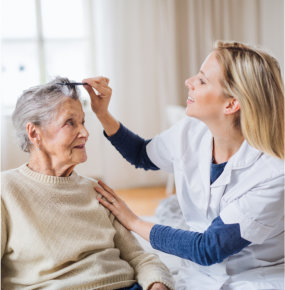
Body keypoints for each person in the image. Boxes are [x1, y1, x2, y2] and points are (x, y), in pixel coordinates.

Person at [82, 41, 284, 290]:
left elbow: (208, 248)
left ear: (231, 104)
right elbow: (141, 154)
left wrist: (132, 221)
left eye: (202, 80)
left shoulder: (274, 174)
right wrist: (102, 113)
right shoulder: (191, 131)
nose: (189, 81)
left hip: (255, 278)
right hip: (197, 274)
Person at [1, 77, 174, 290]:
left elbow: (141, 259)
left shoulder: (95, 190)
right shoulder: (6, 190)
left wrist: (157, 285)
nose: (85, 133)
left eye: (83, 122)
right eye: (70, 122)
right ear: (34, 133)